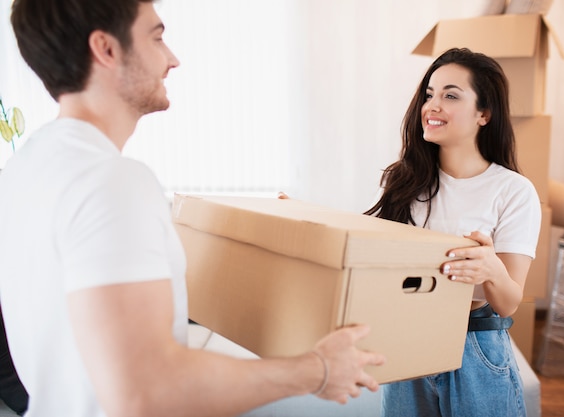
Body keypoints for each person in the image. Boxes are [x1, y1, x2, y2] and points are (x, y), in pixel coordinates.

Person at [0, 1, 386, 416]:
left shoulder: (23, 169)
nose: (172, 59)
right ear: (106, 49)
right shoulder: (111, 180)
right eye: (157, 37)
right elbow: (146, 392)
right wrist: (317, 370)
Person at [365, 48, 541, 417]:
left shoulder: (513, 191)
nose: (433, 105)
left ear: (484, 114)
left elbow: (508, 302)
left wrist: (491, 269)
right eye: (429, 94)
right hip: (408, 340)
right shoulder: (404, 182)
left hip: (474, 346)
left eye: (450, 95)